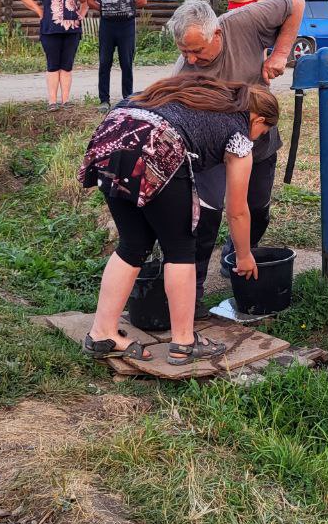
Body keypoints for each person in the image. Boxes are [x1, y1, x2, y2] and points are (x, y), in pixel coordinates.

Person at [80, 77, 279, 364]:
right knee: (181, 248)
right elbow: (237, 210)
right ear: (258, 119)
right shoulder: (238, 135)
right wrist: (244, 255)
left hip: (112, 136)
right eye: (263, 131)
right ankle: (185, 342)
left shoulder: (196, 100)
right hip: (155, 145)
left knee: (133, 244)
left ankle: (101, 335)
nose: (258, 138)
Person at [167, 0, 305, 311]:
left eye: (197, 50)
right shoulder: (183, 76)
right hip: (212, 150)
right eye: (183, 51)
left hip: (256, 139)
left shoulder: (243, 23)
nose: (190, 59)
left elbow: (295, 3)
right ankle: (193, 291)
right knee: (204, 218)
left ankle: (237, 259)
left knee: (256, 210)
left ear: (216, 34)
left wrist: (280, 53)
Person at [19, 0, 86, 110]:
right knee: (53, 65)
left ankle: (66, 101)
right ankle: (52, 102)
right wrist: (39, 11)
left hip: (72, 32)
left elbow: (85, 0)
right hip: (50, 31)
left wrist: (81, 14)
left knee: (67, 66)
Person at [88, 0, 147, 111]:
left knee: (126, 63)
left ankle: (127, 98)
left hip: (126, 26)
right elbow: (90, 0)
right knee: (104, 62)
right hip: (107, 26)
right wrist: (104, 7)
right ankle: (104, 101)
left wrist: (128, 5)